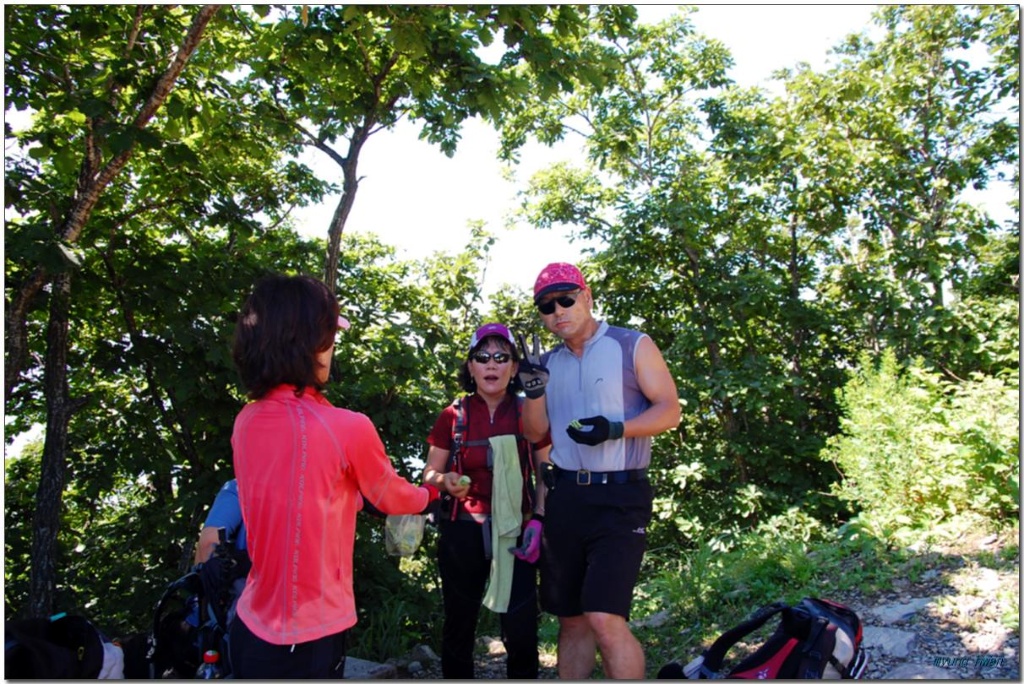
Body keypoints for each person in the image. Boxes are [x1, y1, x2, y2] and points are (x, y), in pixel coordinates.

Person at [227, 274, 440, 679]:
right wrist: (430, 494)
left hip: (250, 623)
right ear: (308, 342)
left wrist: (347, 497)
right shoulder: (346, 426)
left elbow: (289, 491)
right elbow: (393, 497)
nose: (332, 350)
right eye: (329, 336)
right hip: (309, 634)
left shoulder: (246, 420)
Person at [517, 262, 681, 679]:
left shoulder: (632, 344)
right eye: (547, 306)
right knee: (571, 619)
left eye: (566, 299)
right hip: (566, 497)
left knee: (605, 617)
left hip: (621, 497)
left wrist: (615, 429)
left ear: (587, 297)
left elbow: (670, 410)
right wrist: (533, 391)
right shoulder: (547, 363)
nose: (558, 311)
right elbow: (535, 433)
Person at [422, 322, 552, 679]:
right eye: (482, 357)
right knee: (459, 625)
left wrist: (539, 519)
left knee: (522, 628)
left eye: (501, 356)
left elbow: (547, 472)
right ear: (470, 366)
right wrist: (446, 481)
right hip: (461, 529)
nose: (491, 364)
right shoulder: (453, 415)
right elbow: (429, 475)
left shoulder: (530, 411)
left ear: (513, 367)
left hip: (517, 532)